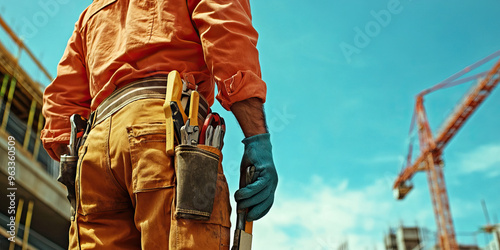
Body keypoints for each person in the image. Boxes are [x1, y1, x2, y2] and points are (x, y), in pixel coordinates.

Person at [41, 0, 278, 249]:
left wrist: (80, 174)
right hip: (163, 129)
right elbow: (227, 36)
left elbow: (60, 105)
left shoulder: (91, 13)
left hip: (95, 149)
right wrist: (256, 138)